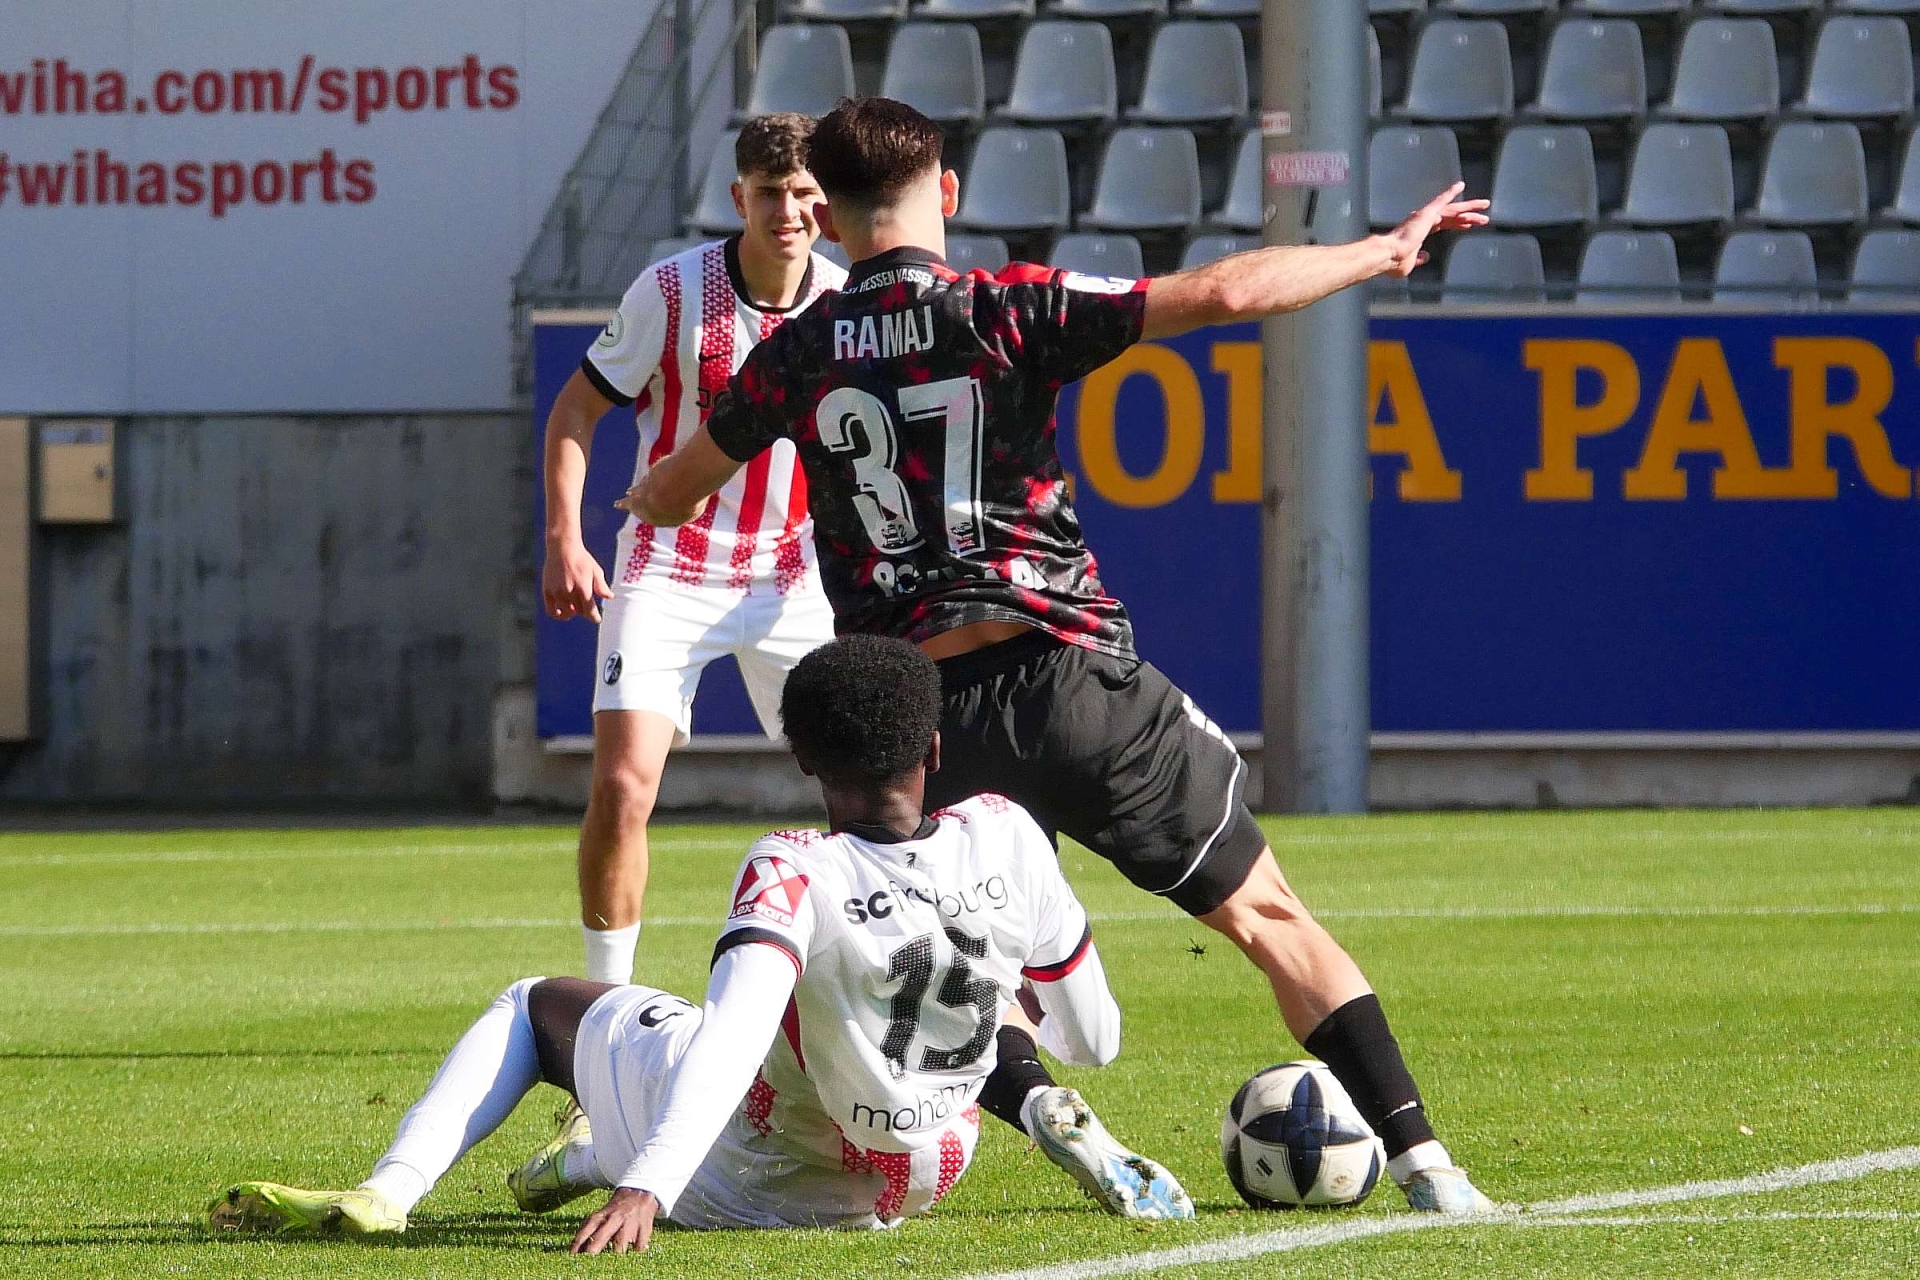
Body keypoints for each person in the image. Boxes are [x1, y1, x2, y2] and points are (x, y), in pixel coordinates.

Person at [622, 96, 1499, 1212]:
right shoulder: (1005, 306)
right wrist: (1384, 249)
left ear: (828, 219)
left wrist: (643, 499)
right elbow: (1229, 292)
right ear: (946, 192)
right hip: (1069, 674)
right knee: (1267, 916)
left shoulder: (796, 351)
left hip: (921, 719)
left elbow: (676, 489)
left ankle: (1046, 1106)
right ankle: (1428, 1165)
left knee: (963, 965)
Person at [206, 636, 1187, 1253]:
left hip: (754, 1176)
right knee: (968, 979)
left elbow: (730, 1035)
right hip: (931, 1161)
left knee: (539, 1005)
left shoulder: (793, 864)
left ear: (803, 760)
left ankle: (391, 1191)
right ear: (933, 749)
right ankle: (589, 1154)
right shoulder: (1008, 832)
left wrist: (651, 1186)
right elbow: (1094, 1037)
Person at [540, 112, 845, 991]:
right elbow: (575, 410)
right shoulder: (671, 291)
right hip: (668, 566)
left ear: (825, 201)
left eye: (804, 193)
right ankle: (606, 1004)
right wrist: (565, 538)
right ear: (738, 198)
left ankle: (857, 990)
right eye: (770, 193)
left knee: (867, 790)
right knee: (622, 787)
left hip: (792, 576)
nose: (787, 212)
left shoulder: (845, 301)